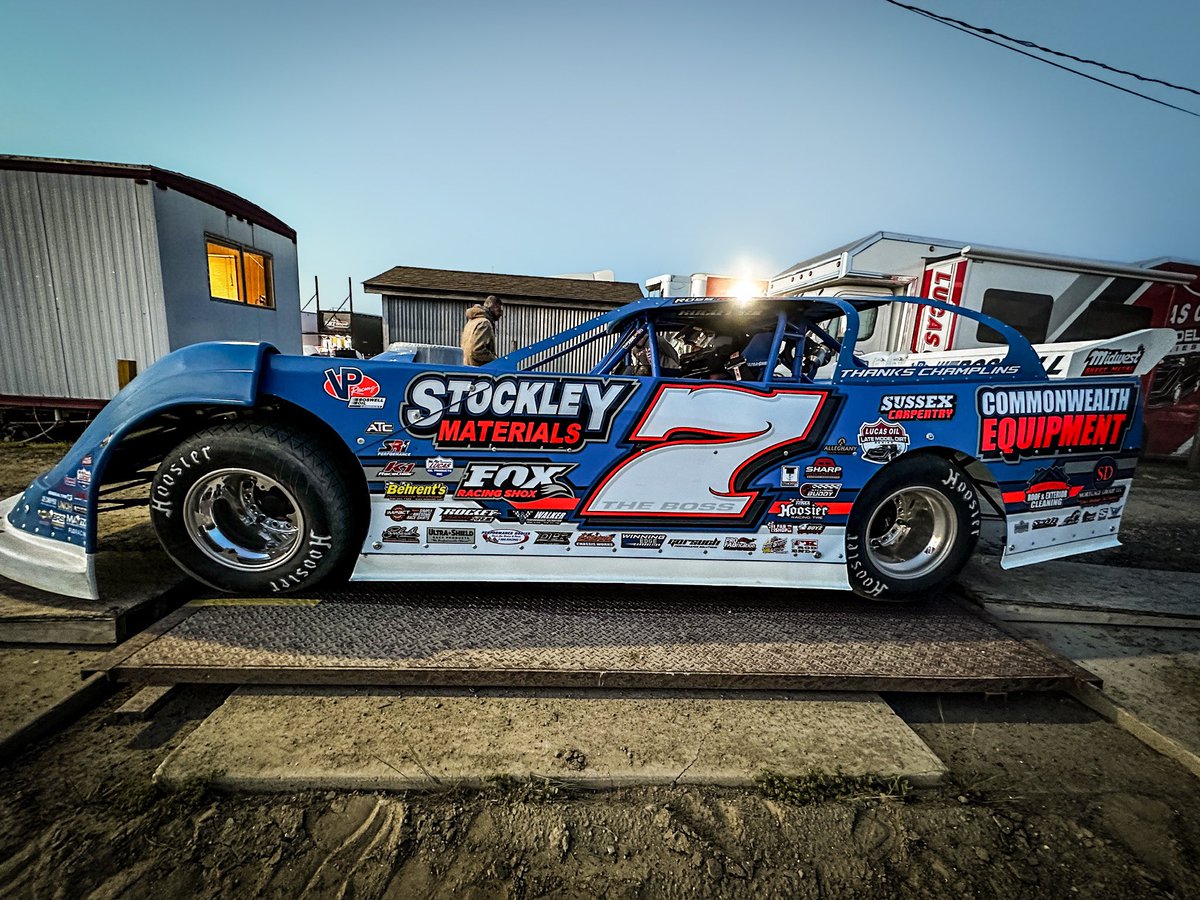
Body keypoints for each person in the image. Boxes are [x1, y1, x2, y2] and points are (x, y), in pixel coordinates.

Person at [461, 294, 502, 366]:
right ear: (492, 307)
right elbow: (476, 351)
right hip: (478, 371)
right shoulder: (484, 323)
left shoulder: (471, 322)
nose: (500, 314)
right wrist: (495, 360)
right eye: (499, 310)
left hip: (467, 367)